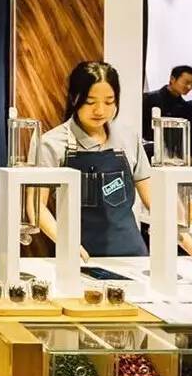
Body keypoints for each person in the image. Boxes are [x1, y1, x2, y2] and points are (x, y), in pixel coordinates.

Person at [35, 62, 152, 259]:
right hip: (79, 257)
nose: (100, 111)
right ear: (74, 98)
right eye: (90, 102)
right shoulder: (51, 144)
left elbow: (155, 202)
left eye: (109, 102)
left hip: (133, 255)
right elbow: (36, 206)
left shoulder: (128, 138)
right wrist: (67, 244)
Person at [142, 65, 192, 146]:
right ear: (172, 79)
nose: (189, 87)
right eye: (186, 82)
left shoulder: (186, 107)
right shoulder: (148, 98)